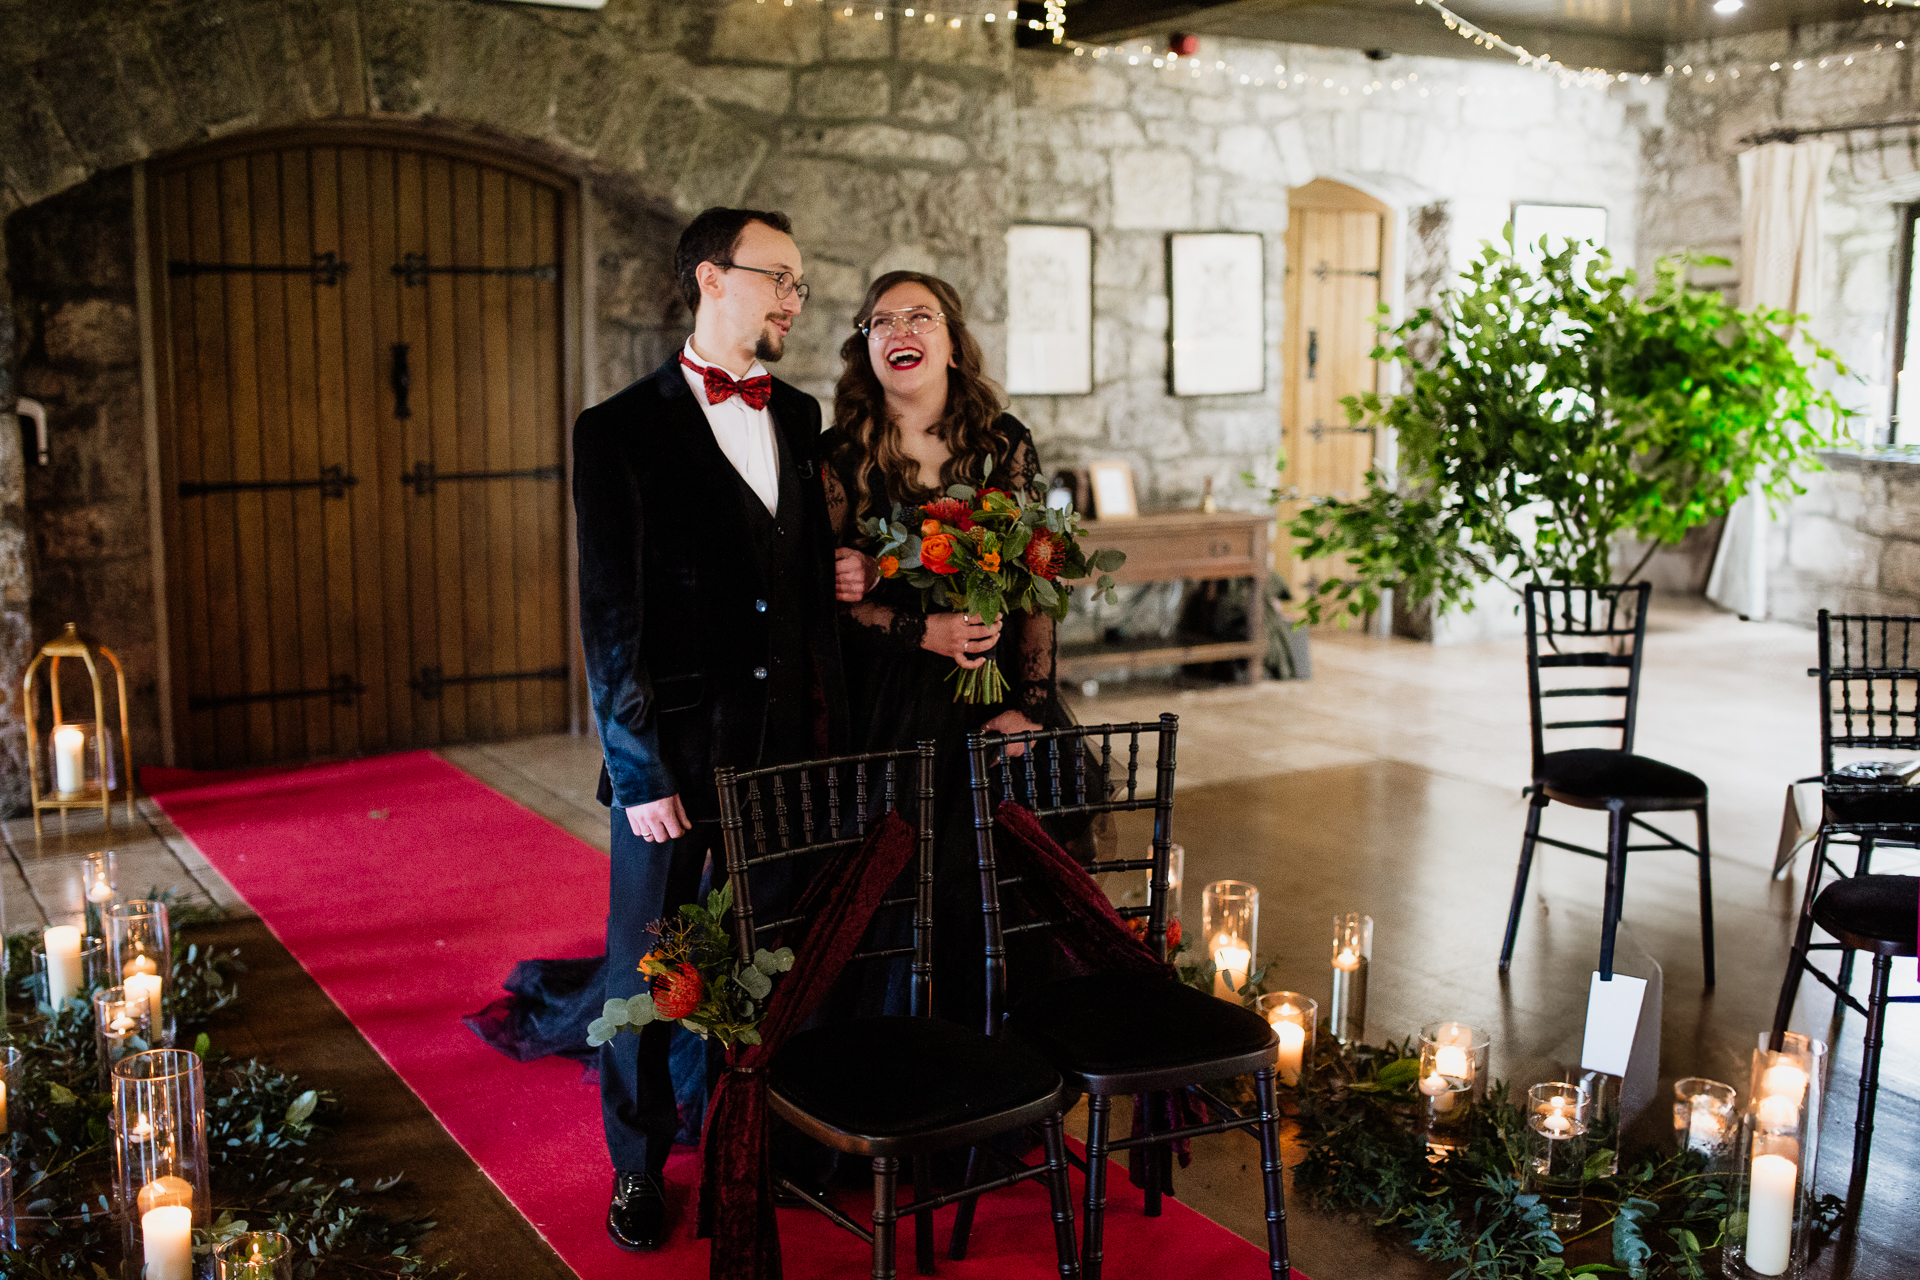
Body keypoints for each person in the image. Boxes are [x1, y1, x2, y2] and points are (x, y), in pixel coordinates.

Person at [571, 207, 869, 1251]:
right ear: (711, 278)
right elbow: (610, 618)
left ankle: (762, 1136)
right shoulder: (614, 430)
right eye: (778, 278)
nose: (794, 299)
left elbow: (792, 580)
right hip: (676, 761)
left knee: (770, 956)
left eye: (798, 282)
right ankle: (639, 1165)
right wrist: (639, 768)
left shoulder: (798, 414)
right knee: (650, 969)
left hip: (785, 747)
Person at [823, 271, 1083, 1030]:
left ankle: (1007, 1049)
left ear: (954, 343)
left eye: (920, 317)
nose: (900, 332)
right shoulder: (840, 456)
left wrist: (1028, 707)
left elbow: (1040, 570)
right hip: (892, 706)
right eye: (881, 322)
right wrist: (919, 630)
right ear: (864, 347)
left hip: (995, 692)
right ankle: (909, 1049)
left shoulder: (1002, 444)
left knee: (1003, 880)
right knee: (908, 890)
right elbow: (830, 605)